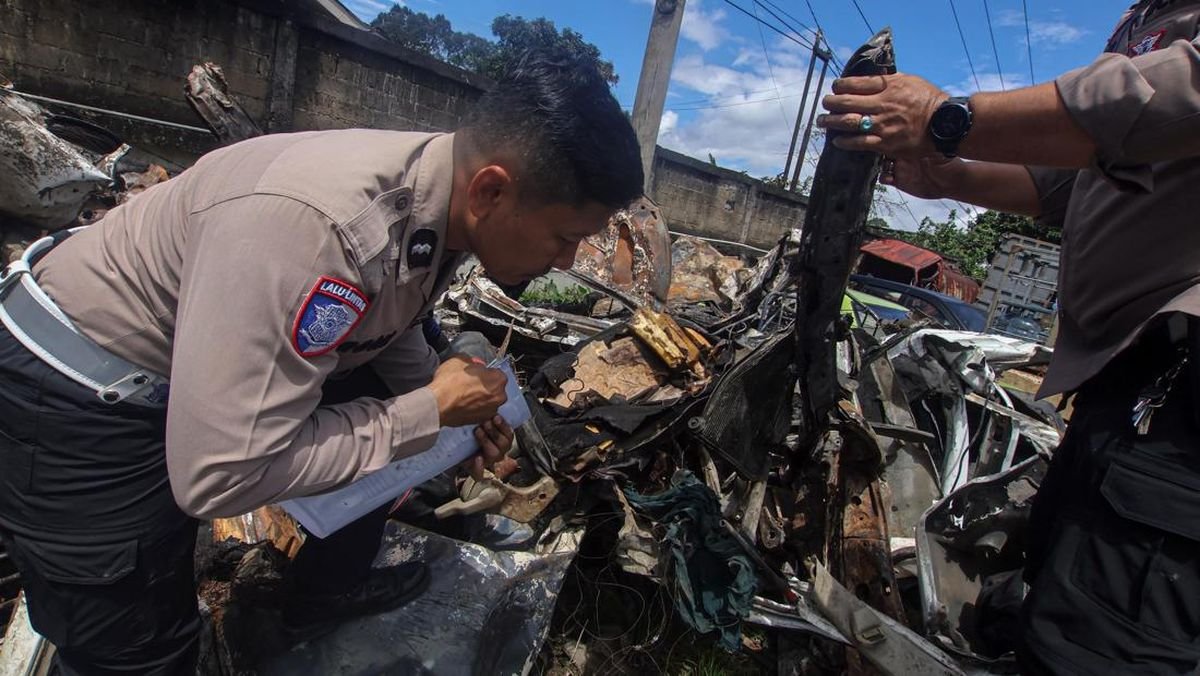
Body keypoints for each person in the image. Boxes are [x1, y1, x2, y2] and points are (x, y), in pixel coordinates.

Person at [0, 53, 643, 674]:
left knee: (383, 403)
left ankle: (320, 594)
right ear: (493, 190)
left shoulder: (440, 194)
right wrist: (427, 410)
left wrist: (452, 416)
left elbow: (385, 319)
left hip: (178, 369)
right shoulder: (323, 229)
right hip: (76, 392)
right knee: (137, 645)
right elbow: (219, 478)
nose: (567, 261)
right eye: (566, 237)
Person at [818, 1, 1200, 672]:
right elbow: (1070, 182)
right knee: (1052, 603)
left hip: (1185, 389)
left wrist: (948, 119)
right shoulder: (1146, 18)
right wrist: (952, 172)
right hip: (1122, 384)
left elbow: (1173, 97)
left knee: (1106, 646)